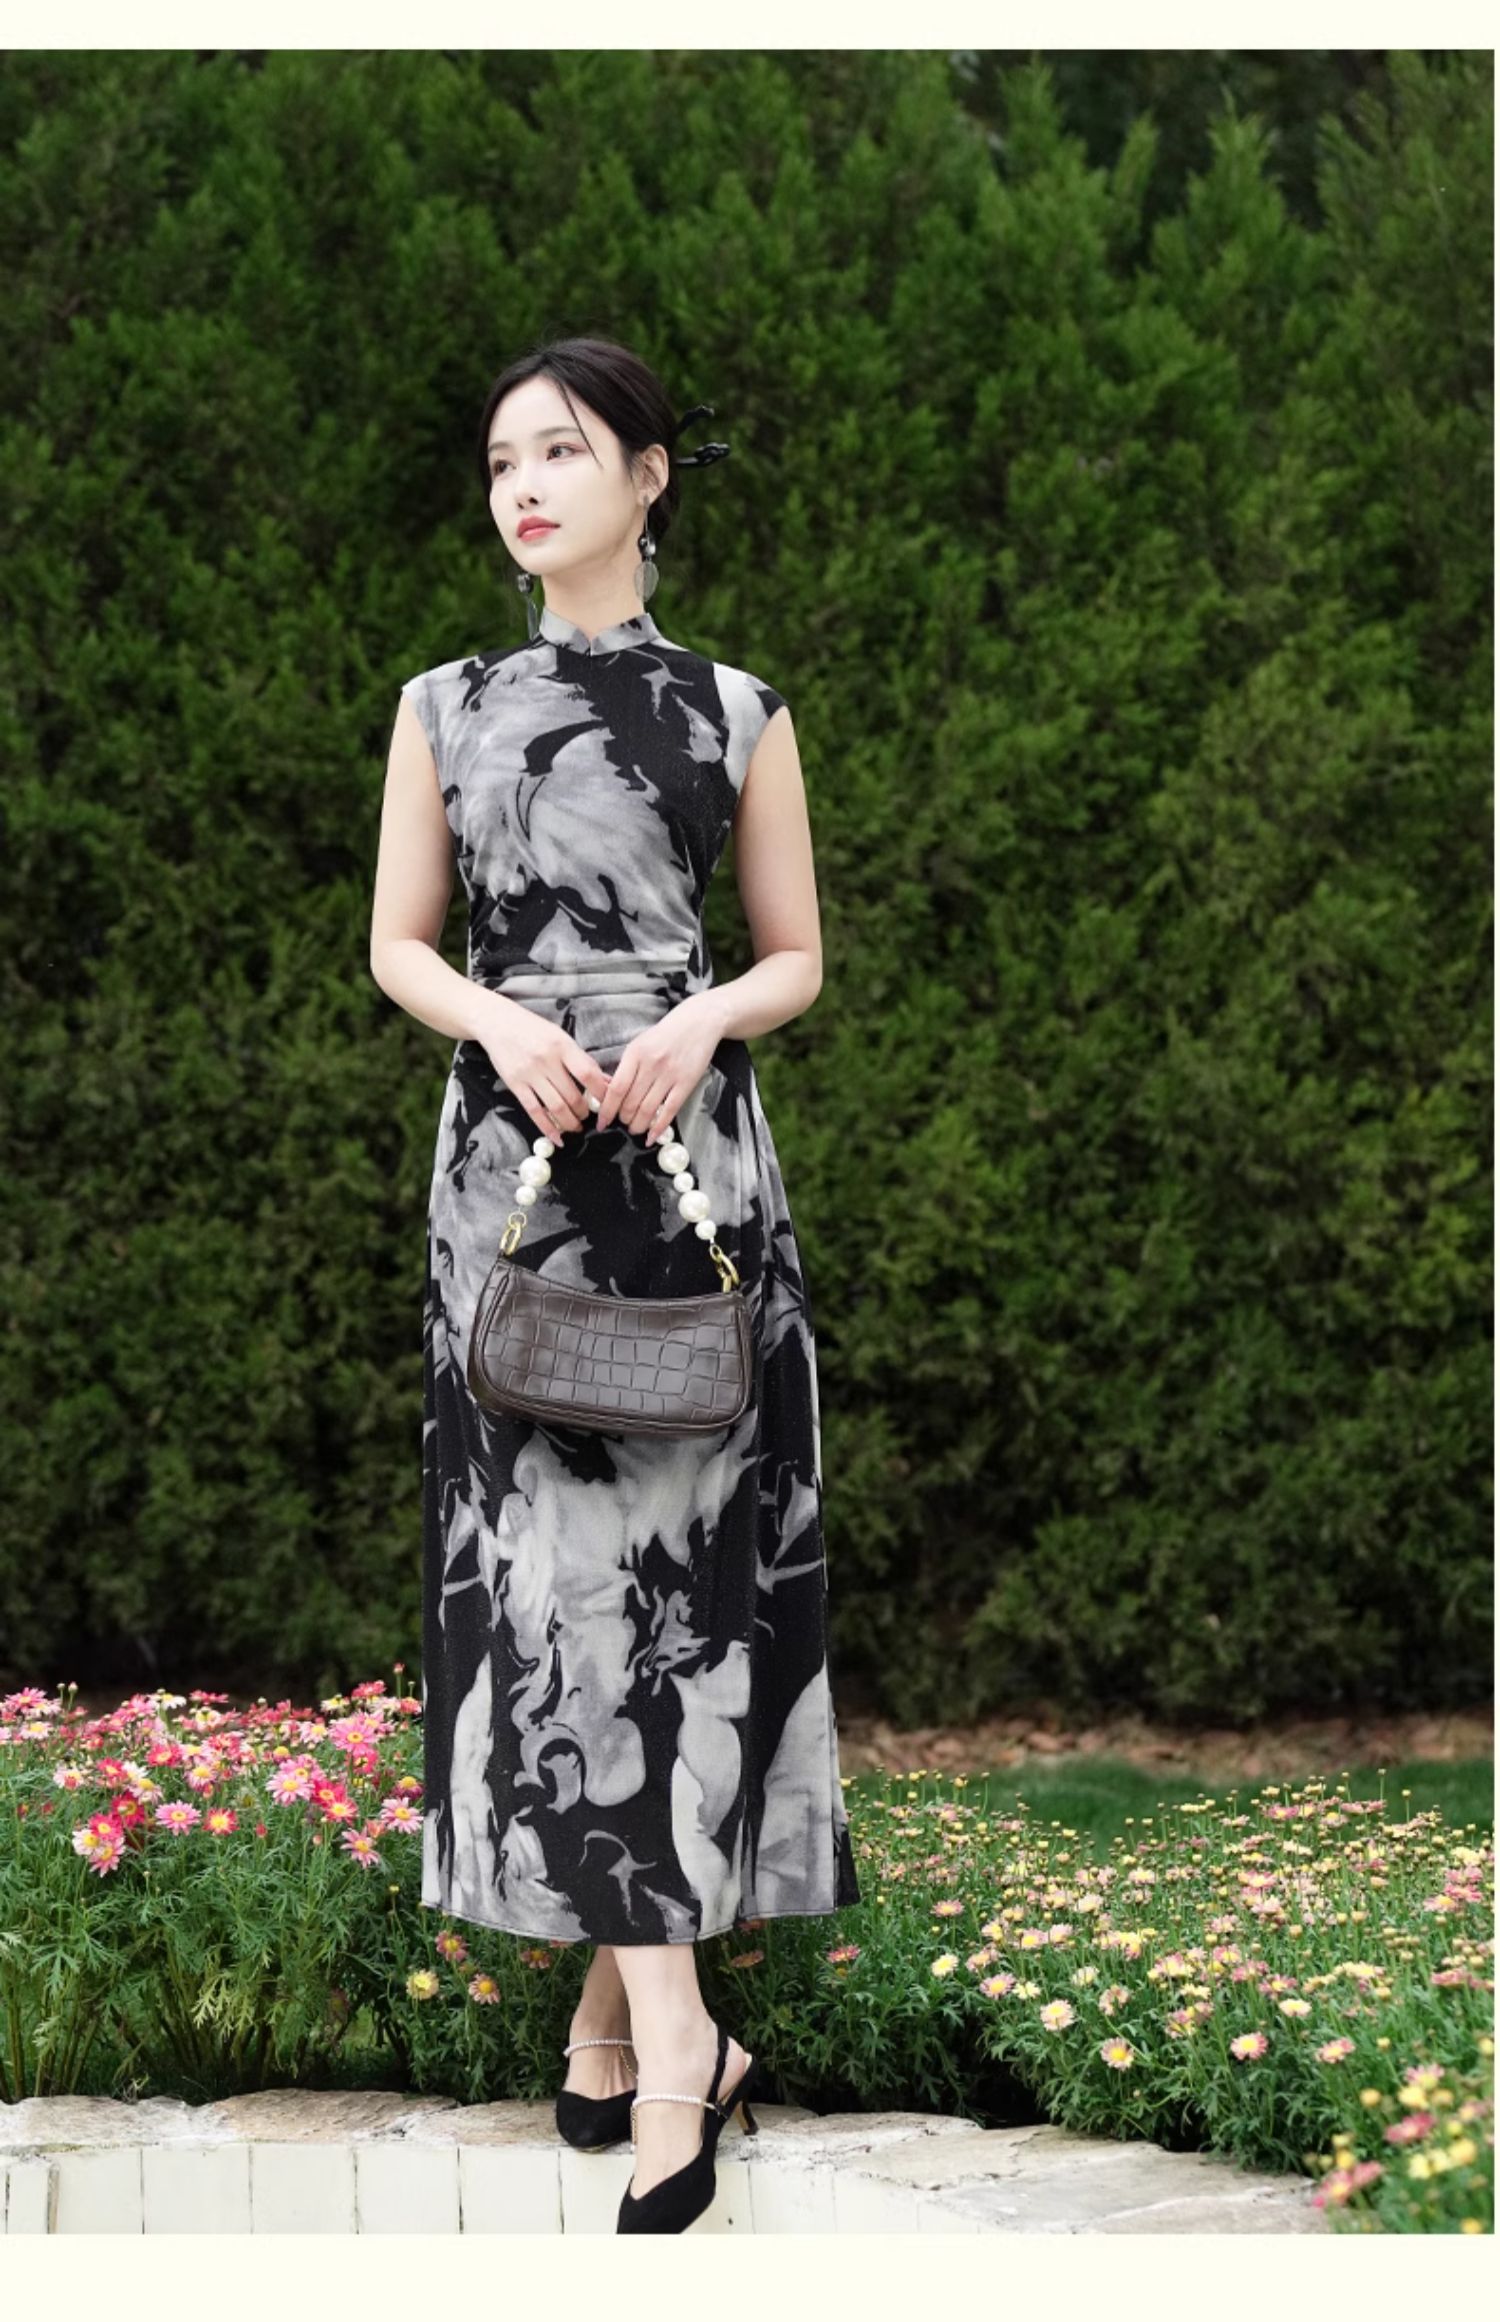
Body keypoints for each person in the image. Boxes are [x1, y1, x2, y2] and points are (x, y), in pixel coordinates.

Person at [369, 335, 861, 2232]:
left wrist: (702, 1016)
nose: (523, 484)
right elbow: (399, 943)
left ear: (649, 476)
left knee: (662, 1602)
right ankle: (678, 2039)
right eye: (503, 456)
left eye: (562, 450)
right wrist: (501, 1022)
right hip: (511, 1182)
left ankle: (620, 2025)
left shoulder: (737, 709)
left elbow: (793, 951)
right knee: (555, 1593)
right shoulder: (442, 705)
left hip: (686, 1168)